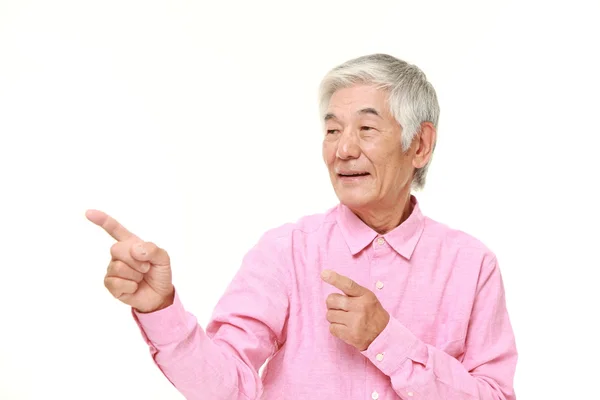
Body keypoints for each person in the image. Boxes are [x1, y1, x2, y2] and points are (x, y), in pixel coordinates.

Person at [87, 53, 518, 399]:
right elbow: (226, 388)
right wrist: (159, 307)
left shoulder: (471, 264)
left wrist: (386, 340)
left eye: (366, 128)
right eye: (332, 130)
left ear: (419, 145)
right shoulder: (286, 250)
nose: (343, 150)